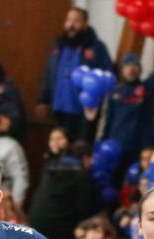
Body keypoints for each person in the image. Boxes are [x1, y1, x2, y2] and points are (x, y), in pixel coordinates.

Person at [37, 5, 113, 143]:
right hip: (59, 110)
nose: (71, 25)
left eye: (76, 21)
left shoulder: (97, 47)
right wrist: (43, 100)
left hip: (84, 112)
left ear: (85, 23)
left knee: (80, 148)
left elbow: (107, 75)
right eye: (69, 20)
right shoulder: (58, 45)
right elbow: (49, 73)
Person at [28, 128, 99, 239]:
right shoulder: (81, 175)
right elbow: (84, 209)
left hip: (34, 226)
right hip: (60, 237)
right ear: (85, 158)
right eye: (90, 158)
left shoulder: (49, 166)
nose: (92, 162)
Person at [103, 49, 154, 173]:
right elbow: (109, 120)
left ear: (140, 69)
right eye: (127, 66)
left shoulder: (147, 89)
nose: (131, 69)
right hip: (118, 146)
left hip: (142, 148)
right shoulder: (114, 92)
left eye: (135, 65)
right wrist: (105, 142)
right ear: (122, 70)